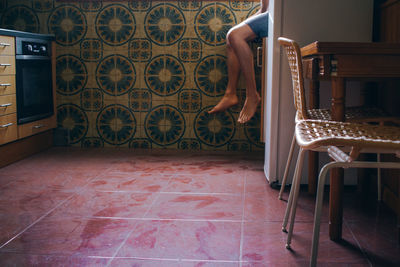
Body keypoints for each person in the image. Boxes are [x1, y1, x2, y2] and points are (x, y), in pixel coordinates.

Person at [208, 0, 269, 124]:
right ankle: (230, 93)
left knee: (235, 35)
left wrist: (237, 32)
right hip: (272, 14)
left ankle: (252, 95)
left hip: (279, 16)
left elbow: (267, 10)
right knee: (232, 39)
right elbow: (264, 9)